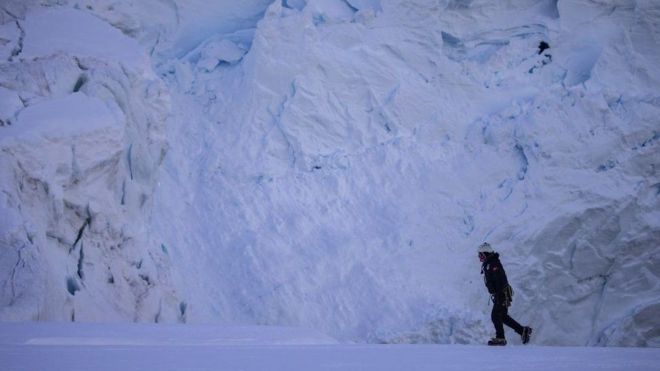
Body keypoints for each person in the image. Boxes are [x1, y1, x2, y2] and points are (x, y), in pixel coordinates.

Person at [478, 242, 532, 346]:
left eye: (480, 255)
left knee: (495, 316)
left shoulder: (493, 264)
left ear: (486, 253)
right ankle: (523, 331)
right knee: (502, 316)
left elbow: (499, 280)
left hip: (501, 294)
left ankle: (500, 338)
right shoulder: (490, 263)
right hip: (500, 294)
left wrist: (499, 295)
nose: (479, 257)